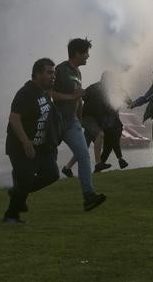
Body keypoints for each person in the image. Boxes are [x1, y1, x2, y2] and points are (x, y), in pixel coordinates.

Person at [3, 58, 60, 223]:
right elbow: (14, 118)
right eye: (49, 72)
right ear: (37, 74)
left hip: (42, 147)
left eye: (54, 73)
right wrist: (25, 141)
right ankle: (11, 215)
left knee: (52, 175)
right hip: (20, 146)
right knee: (26, 179)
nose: (53, 76)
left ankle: (17, 192)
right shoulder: (26, 93)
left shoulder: (44, 92)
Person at [53, 38, 106, 211]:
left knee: (84, 156)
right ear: (77, 53)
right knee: (42, 161)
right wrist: (72, 96)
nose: (88, 57)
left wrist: (80, 118)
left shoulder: (78, 72)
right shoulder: (60, 70)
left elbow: (78, 98)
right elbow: (50, 93)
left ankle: (88, 196)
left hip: (72, 123)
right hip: (56, 122)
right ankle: (19, 192)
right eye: (86, 53)